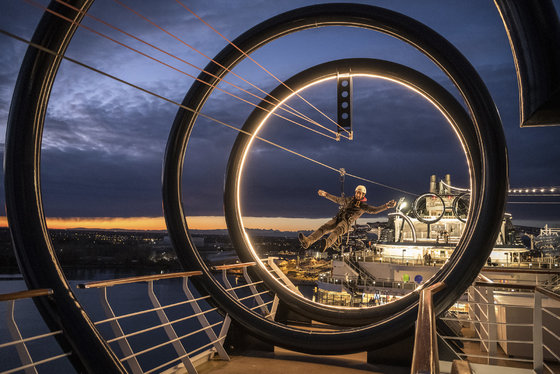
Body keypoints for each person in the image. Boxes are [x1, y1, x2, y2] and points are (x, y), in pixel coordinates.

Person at [298, 185, 396, 251]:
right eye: (357, 192)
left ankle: (327, 244)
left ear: (363, 195)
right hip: (338, 218)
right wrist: (325, 194)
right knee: (324, 228)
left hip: (346, 223)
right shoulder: (349, 200)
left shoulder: (363, 206)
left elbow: (374, 210)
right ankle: (308, 241)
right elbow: (337, 200)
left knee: (337, 230)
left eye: (360, 193)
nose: (358, 194)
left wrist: (386, 206)